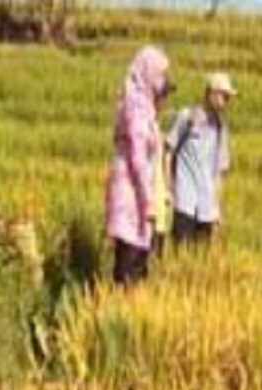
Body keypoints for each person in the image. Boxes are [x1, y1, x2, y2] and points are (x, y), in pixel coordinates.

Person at [105, 46, 171, 287]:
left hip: (140, 198)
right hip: (131, 199)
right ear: (147, 72)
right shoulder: (135, 108)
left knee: (140, 266)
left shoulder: (146, 106)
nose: (163, 80)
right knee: (129, 268)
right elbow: (138, 157)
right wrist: (148, 200)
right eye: (161, 74)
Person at [167, 72, 236, 246]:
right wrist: (168, 190)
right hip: (184, 201)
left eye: (228, 97)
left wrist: (216, 208)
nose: (227, 101)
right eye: (224, 95)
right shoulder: (186, 117)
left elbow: (219, 172)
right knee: (180, 256)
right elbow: (168, 152)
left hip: (206, 208)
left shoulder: (221, 129)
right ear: (210, 93)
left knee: (200, 261)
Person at [151, 81, 176, 257]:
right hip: (147, 210)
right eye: (162, 95)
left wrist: (168, 190)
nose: (164, 101)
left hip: (158, 206)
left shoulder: (155, 125)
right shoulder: (140, 125)